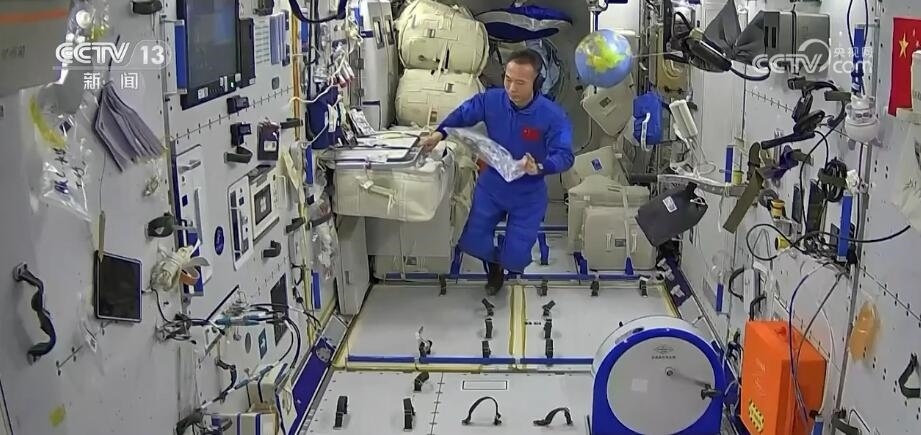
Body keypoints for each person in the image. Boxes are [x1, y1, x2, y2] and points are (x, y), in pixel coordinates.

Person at [419, 49, 575, 294]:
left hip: (528, 192)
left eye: (520, 83)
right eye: (508, 79)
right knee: (471, 241)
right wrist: (439, 133)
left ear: (537, 82)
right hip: (492, 185)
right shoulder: (491, 101)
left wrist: (540, 167)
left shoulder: (553, 116)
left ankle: (506, 261)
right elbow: (463, 114)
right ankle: (494, 266)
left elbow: (565, 155)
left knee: (516, 258)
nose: (512, 88)